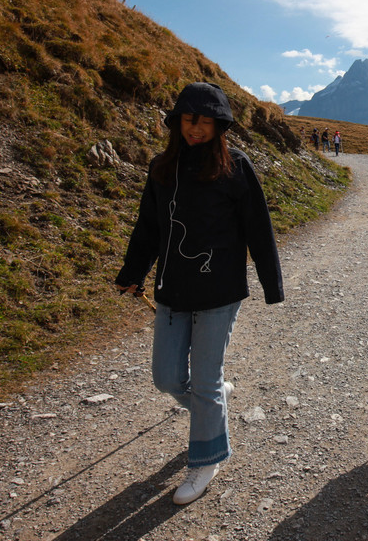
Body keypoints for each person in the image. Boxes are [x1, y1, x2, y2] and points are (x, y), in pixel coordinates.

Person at [115, 82, 284, 505]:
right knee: (167, 378)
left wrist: (271, 284)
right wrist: (133, 272)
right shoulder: (162, 168)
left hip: (219, 292)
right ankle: (216, 399)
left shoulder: (236, 167)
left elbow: (258, 229)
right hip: (172, 289)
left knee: (205, 379)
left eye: (205, 121)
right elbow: (149, 227)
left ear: (219, 125)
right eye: (189, 120)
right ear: (177, 122)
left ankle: (206, 459)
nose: (196, 129)